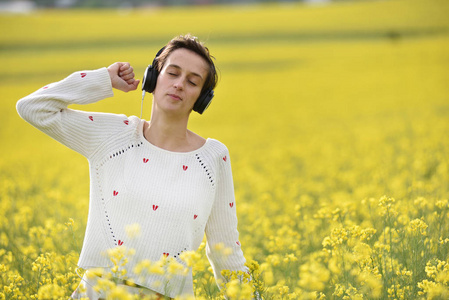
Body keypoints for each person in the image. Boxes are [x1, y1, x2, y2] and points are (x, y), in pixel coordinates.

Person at [17, 34, 249, 299]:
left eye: (192, 81)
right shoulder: (114, 135)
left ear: (202, 98)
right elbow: (32, 108)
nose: (179, 85)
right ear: (153, 77)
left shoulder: (213, 158)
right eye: (172, 73)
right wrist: (103, 79)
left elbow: (227, 254)